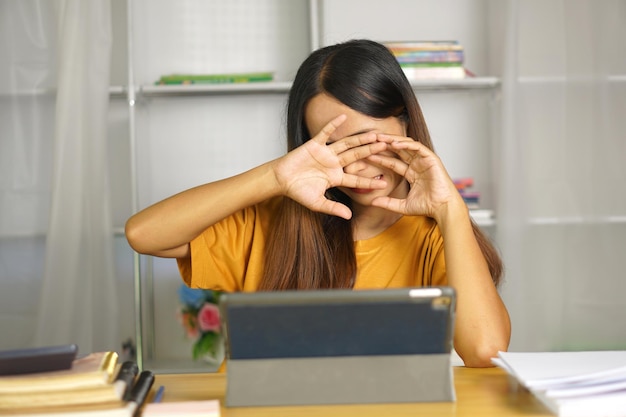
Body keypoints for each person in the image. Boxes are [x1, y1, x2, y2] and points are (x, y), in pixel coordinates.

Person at [125, 39, 511, 367]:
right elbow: (144, 235)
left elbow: (485, 350)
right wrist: (274, 177)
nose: (353, 163)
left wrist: (451, 208)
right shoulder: (267, 223)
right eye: (332, 147)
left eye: (365, 140)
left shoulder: (435, 237)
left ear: (406, 123)